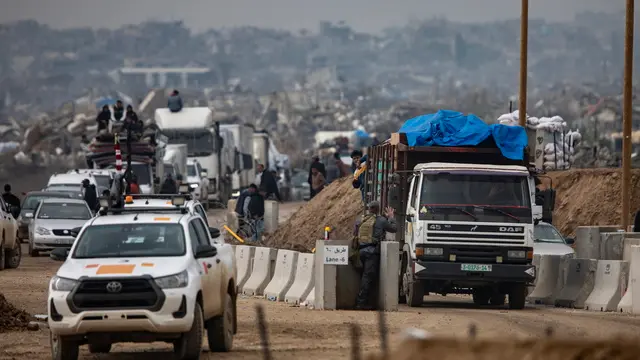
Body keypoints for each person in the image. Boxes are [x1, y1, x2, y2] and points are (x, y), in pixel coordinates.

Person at [353, 201, 397, 310]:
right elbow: (394, 228)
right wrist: (391, 217)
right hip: (371, 253)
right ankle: (361, 303)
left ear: (369, 209)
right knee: (367, 278)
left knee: (364, 277)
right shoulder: (381, 220)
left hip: (360, 252)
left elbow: (354, 233)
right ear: (378, 209)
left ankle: (364, 301)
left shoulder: (361, 219)